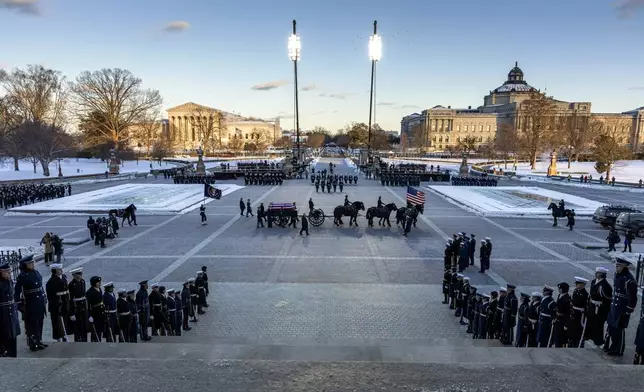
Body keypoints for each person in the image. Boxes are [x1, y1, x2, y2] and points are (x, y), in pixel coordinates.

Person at [604, 258, 638, 356]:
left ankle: (618, 349)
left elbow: (632, 297)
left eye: (618, 266)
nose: (616, 267)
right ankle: (612, 346)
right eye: (616, 266)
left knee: (619, 329)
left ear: (624, 266)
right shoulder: (618, 275)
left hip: (622, 307)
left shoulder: (629, 280)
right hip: (615, 306)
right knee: (613, 328)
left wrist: (629, 309)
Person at [14, 258, 47, 351]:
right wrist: (20, 304)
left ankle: (39, 340)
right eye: (30, 263)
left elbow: (40, 286)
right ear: (25, 264)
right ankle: (33, 343)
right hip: (30, 302)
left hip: (39, 301)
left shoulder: (36, 272)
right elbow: (17, 291)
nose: (33, 264)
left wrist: (44, 297)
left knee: (40, 321)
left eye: (33, 262)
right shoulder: (23, 276)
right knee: (32, 324)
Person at [585, 267, 612, 347]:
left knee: (598, 323)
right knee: (591, 321)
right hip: (592, 305)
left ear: (602, 274)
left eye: (598, 273)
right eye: (596, 272)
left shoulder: (605, 285)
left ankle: (598, 340)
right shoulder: (594, 281)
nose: (596, 274)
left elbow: (607, 298)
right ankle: (589, 335)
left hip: (599, 307)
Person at [45, 264, 70, 342]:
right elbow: (50, 295)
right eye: (59, 270)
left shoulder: (64, 277)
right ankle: (58, 337)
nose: (61, 271)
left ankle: (64, 334)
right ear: (55, 271)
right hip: (57, 305)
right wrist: (56, 304)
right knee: (56, 322)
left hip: (64, 303)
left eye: (61, 269)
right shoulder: (51, 281)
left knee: (65, 320)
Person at [0, 262, 20, 357]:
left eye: (9, 271)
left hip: (11, 311)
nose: (9, 273)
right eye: (7, 271)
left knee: (12, 334)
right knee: (4, 334)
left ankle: (12, 355)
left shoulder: (9, 281)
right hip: (2, 313)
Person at [68, 268, 88, 342]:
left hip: (83, 305)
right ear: (74, 275)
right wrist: (71, 313)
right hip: (76, 306)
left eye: (81, 274)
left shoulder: (83, 282)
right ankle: (78, 339)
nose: (80, 275)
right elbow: (70, 299)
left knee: (84, 324)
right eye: (79, 274)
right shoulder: (71, 284)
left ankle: (84, 339)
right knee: (78, 325)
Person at [568, 277, 589, 348]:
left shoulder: (585, 294)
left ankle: (578, 345)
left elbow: (586, 306)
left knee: (579, 332)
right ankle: (571, 344)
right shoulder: (576, 291)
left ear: (583, 284)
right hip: (574, 313)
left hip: (580, 315)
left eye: (578, 283)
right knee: (572, 331)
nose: (576, 285)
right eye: (576, 283)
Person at [86, 276, 105, 342]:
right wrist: (89, 316)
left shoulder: (99, 289)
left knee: (99, 329)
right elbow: (88, 305)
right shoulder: (90, 292)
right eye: (98, 282)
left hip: (100, 312)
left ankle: (98, 340)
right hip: (95, 313)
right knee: (95, 330)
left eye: (99, 282)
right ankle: (94, 341)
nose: (99, 283)